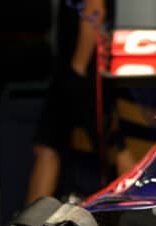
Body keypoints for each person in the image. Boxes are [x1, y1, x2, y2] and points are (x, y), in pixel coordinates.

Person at [25, 0, 115, 205]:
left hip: (81, 74)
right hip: (81, 72)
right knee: (49, 145)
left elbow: (94, 11)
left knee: (49, 145)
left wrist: (78, 67)